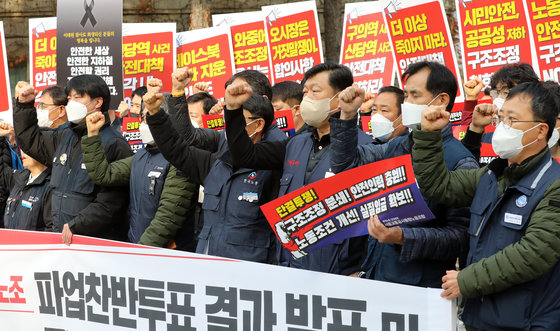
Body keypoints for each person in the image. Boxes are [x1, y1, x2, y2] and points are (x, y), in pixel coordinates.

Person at [414, 81, 560, 330]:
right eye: (501, 118)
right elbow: (439, 185)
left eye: (513, 120)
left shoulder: (553, 183)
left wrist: (467, 280)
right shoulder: (492, 176)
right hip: (479, 318)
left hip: (526, 323)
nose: (503, 127)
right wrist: (428, 134)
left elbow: (536, 252)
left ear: (540, 130)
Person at [329, 61, 478, 287]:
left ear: (442, 101)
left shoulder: (461, 161)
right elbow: (347, 166)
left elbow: (460, 237)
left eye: (415, 96)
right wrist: (347, 116)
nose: (407, 103)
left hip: (419, 291)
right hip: (379, 277)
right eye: (406, 95)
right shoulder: (397, 146)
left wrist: (402, 237)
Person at [225, 62, 373, 275]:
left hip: (337, 272)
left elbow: (376, 216)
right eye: (305, 92)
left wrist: (362, 271)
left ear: (342, 96)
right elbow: (244, 155)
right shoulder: (295, 143)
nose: (308, 98)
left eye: (315, 91)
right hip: (289, 265)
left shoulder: (365, 148)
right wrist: (233, 110)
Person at [145, 69, 287, 263]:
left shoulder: (279, 161)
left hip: (253, 270)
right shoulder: (219, 160)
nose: (230, 126)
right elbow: (176, 149)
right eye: (229, 118)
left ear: (258, 124)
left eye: (236, 119)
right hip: (209, 261)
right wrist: (155, 114)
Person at [13, 76, 133, 244]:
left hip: (94, 244)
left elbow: (111, 203)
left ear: (97, 102)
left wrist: (76, 226)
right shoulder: (66, 135)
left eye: (78, 97)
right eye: (69, 98)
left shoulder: (114, 143)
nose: (71, 103)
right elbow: (32, 140)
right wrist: (24, 105)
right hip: (62, 241)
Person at [461, 64, 540, 164]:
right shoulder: (491, 138)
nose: (499, 99)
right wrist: (475, 128)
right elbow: (466, 167)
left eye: (506, 92)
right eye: (496, 93)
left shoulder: (539, 138)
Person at [0, 122, 52, 231]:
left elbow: (51, 231)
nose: (25, 152)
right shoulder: (19, 178)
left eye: (31, 147)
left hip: (30, 247)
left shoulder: (51, 187)